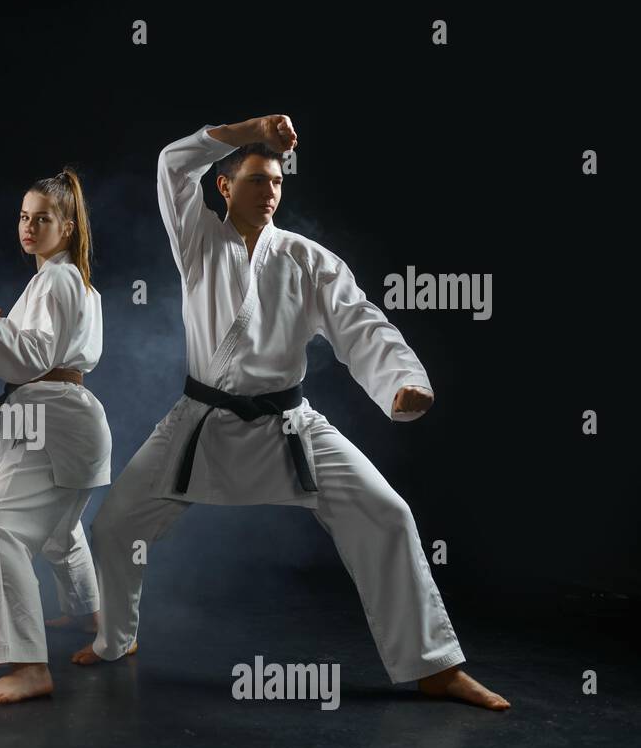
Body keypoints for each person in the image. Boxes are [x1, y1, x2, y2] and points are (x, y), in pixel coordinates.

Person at [73, 116, 510, 711]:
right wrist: (249, 127)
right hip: (202, 421)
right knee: (115, 525)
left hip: (289, 427)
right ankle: (116, 638)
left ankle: (434, 666)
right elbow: (174, 164)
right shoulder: (198, 240)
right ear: (223, 188)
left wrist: (402, 382)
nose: (270, 192)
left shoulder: (307, 259)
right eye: (256, 180)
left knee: (386, 513)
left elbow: (360, 324)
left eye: (277, 182)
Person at [0, 169, 111, 704]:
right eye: (23, 216)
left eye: (43, 218)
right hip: (64, 419)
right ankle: (101, 624)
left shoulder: (57, 279)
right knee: (61, 533)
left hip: (51, 419)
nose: (29, 226)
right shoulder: (68, 280)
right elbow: (37, 347)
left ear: (67, 226)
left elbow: (34, 357)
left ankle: (28, 666)